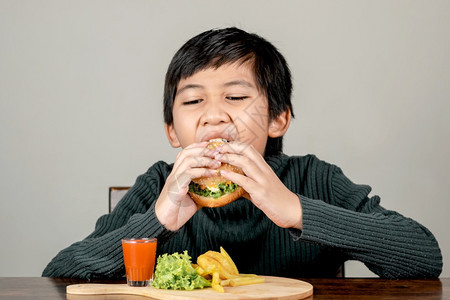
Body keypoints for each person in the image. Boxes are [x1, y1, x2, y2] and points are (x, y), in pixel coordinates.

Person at [42, 27, 442, 280]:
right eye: (193, 101)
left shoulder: (313, 178)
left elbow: (424, 256)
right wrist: (159, 220)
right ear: (172, 132)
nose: (214, 116)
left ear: (278, 120)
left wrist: (295, 209)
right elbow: (61, 274)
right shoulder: (159, 186)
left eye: (235, 97)